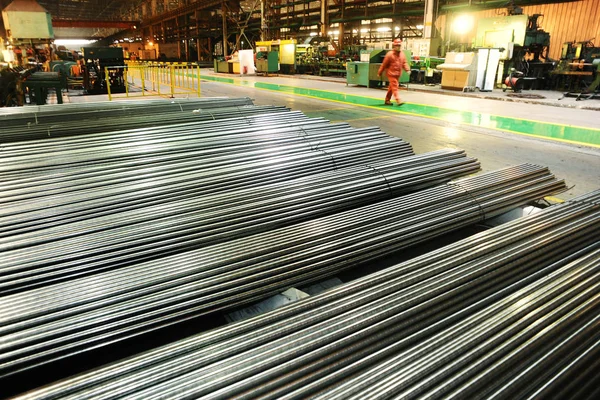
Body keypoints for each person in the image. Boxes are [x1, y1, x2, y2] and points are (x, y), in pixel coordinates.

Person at [377, 38, 410, 106]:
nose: (398, 47)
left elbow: (404, 63)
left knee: (391, 87)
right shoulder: (389, 54)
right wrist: (379, 72)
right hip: (391, 74)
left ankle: (387, 100)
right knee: (395, 86)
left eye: (399, 45)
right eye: (397, 45)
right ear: (394, 46)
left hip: (398, 74)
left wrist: (407, 69)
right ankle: (398, 100)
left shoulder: (402, 54)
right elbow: (384, 65)